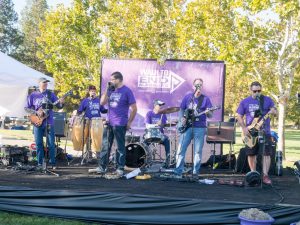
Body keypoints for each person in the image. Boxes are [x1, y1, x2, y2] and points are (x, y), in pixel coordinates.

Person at [95, 71, 137, 176]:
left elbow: (134, 108)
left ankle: (120, 168)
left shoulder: (127, 91)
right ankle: (102, 167)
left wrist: (129, 122)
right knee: (105, 145)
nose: (110, 81)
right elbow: (102, 103)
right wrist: (107, 90)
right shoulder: (110, 90)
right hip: (109, 122)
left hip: (120, 123)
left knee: (120, 147)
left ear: (118, 80)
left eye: (112, 79)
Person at [236, 81, 277, 185]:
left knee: (266, 154)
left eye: (259, 91)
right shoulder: (245, 101)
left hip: (265, 131)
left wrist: (273, 111)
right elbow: (239, 116)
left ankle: (265, 175)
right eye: (255, 91)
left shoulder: (267, 100)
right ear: (251, 90)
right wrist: (244, 128)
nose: (257, 93)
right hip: (250, 131)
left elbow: (275, 112)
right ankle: (253, 174)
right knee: (251, 153)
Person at [173, 78, 213, 178]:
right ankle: (178, 171)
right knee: (181, 149)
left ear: (202, 86)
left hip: (200, 127)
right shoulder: (188, 97)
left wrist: (208, 112)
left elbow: (210, 115)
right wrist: (181, 119)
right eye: (196, 85)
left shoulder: (206, 99)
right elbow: (182, 109)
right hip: (187, 127)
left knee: (197, 151)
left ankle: (195, 172)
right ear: (193, 86)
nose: (198, 86)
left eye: (200, 85)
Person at [25, 77, 65, 169]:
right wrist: (36, 112)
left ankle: (52, 163)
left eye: (47, 83)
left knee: (51, 143)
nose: (46, 84)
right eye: (44, 82)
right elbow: (27, 108)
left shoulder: (50, 94)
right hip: (37, 122)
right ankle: (40, 163)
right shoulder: (33, 95)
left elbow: (58, 106)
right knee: (39, 143)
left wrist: (62, 102)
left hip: (49, 122)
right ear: (39, 84)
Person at [144, 99, 171, 168]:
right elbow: (147, 126)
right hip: (150, 135)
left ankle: (168, 161)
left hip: (160, 135)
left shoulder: (163, 114)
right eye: (159, 105)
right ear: (155, 105)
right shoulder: (149, 113)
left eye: (161, 105)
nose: (161, 106)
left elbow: (165, 124)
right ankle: (145, 161)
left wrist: (168, 124)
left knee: (167, 140)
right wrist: (156, 125)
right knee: (144, 143)